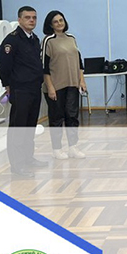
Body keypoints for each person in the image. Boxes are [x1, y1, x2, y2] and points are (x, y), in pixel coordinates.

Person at [0, 6, 47, 177]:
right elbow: (4, 66)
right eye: (27, 17)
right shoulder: (12, 40)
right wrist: (7, 85)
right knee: (18, 128)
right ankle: (17, 165)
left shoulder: (34, 39)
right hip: (20, 89)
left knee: (29, 126)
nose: (31, 20)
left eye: (34, 17)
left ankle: (28, 158)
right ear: (19, 20)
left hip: (34, 88)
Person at [41, 10, 86, 160]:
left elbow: (79, 62)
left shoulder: (71, 38)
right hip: (55, 86)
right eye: (56, 21)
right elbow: (44, 67)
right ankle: (57, 149)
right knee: (56, 118)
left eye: (61, 20)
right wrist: (50, 87)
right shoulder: (48, 41)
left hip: (72, 84)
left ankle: (73, 147)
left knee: (72, 116)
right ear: (50, 25)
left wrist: (81, 80)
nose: (59, 23)